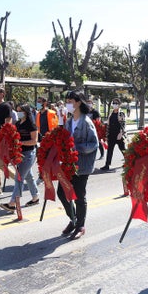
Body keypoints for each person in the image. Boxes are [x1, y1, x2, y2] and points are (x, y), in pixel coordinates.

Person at [57, 90, 99, 240]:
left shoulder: (86, 122)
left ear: (78, 102)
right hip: (68, 165)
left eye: (70, 101)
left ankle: (80, 225)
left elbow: (94, 144)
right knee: (62, 193)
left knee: (79, 196)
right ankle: (73, 219)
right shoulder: (68, 121)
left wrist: (76, 147)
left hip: (82, 166)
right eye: (67, 101)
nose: (68, 104)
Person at [0, 103, 40, 213]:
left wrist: (20, 143)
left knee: (19, 178)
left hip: (29, 154)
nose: (18, 113)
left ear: (26, 112)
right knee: (29, 177)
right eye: (17, 110)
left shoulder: (31, 124)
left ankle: (12, 203)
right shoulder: (18, 123)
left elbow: (34, 141)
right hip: (19, 153)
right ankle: (35, 197)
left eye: (20, 111)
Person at [99, 98, 126, 171]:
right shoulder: (111, 113)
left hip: (118, 135)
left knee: (123, 149)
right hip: (111, 135)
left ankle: (129, 162)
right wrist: (106, 135)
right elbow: (108, 124)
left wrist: (121, 133)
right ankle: (107, 165)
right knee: (110, 150)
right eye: (114, 103)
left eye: (116, 103)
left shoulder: (121, 113)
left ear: (119, 105)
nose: (115, 105)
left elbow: (123, 124)